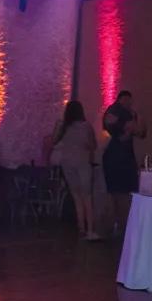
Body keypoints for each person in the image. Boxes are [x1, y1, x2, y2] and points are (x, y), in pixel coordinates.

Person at [50, 100, 99, 238]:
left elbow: (53, 142)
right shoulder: (86, 127)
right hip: (82, 163)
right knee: (87, 197)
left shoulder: (63, 127)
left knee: (76, 197)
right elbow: (92, 145)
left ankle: (81, 228)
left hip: (67, 163)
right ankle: (90, 230)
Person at [102, 90, 146, 235]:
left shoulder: (124, 113)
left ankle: (118, 226)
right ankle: (119, 226)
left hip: (120, 157)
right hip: (118, 157)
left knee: (119, 193)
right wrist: (131, 123)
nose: (129, 103)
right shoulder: (118, 111)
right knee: (118, 193)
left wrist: (135, 121)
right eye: (126, 100)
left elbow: (140, 132)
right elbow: (138, 131)